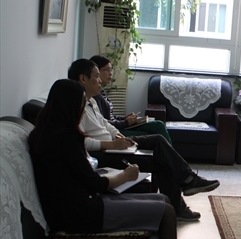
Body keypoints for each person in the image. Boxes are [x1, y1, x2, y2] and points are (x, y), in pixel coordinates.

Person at [28, 79, 204, 239]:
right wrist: (126, 176)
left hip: (74, 204)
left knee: (163, 199)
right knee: (166, 212)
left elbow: (76, 176)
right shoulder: (66, 139)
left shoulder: (44, 133)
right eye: (81, 105)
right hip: (82, 213)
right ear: (70, 106)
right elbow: (96, 184)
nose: (83, 110)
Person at [67, 58, 219, 222]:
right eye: (97, 76)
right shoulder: (75, 105)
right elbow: (80, 142)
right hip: (103, 151)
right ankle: (185, 187)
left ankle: (184, 189)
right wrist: (111, 144)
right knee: (160, 151)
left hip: (113, 144)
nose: (99, 81)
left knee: (159, 144)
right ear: (83, 79)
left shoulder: (90, 100)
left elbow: (105, 123)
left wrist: (119, 135)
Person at [89, 55, 173, 144]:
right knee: (153, 134)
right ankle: (168, 152)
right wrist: (126, 122)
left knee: (158, 124)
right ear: (96, 72)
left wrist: (125, 118)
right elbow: (103, 122)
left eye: (111, 70)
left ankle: (169, 152)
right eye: (106, 70)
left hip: (118, 126)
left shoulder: (101, 92)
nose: (110, 73)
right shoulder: (94, 96)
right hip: (115, 130)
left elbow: (110, 116)